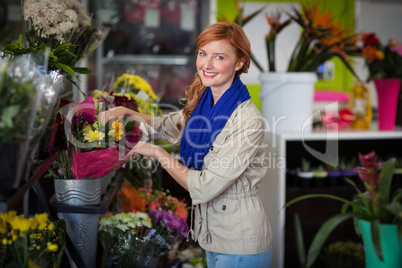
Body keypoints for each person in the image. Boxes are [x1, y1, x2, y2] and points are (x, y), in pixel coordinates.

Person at [99, 22, 273, 268]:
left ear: (239, 63)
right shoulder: (205, 104)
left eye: (219, 57)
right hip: (216, 239)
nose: (207, 65)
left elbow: (204, 186)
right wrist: (126, 113)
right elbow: (166, 126)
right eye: (203, 54)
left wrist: (157, 152)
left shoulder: (247, 121)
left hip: (241, 245)